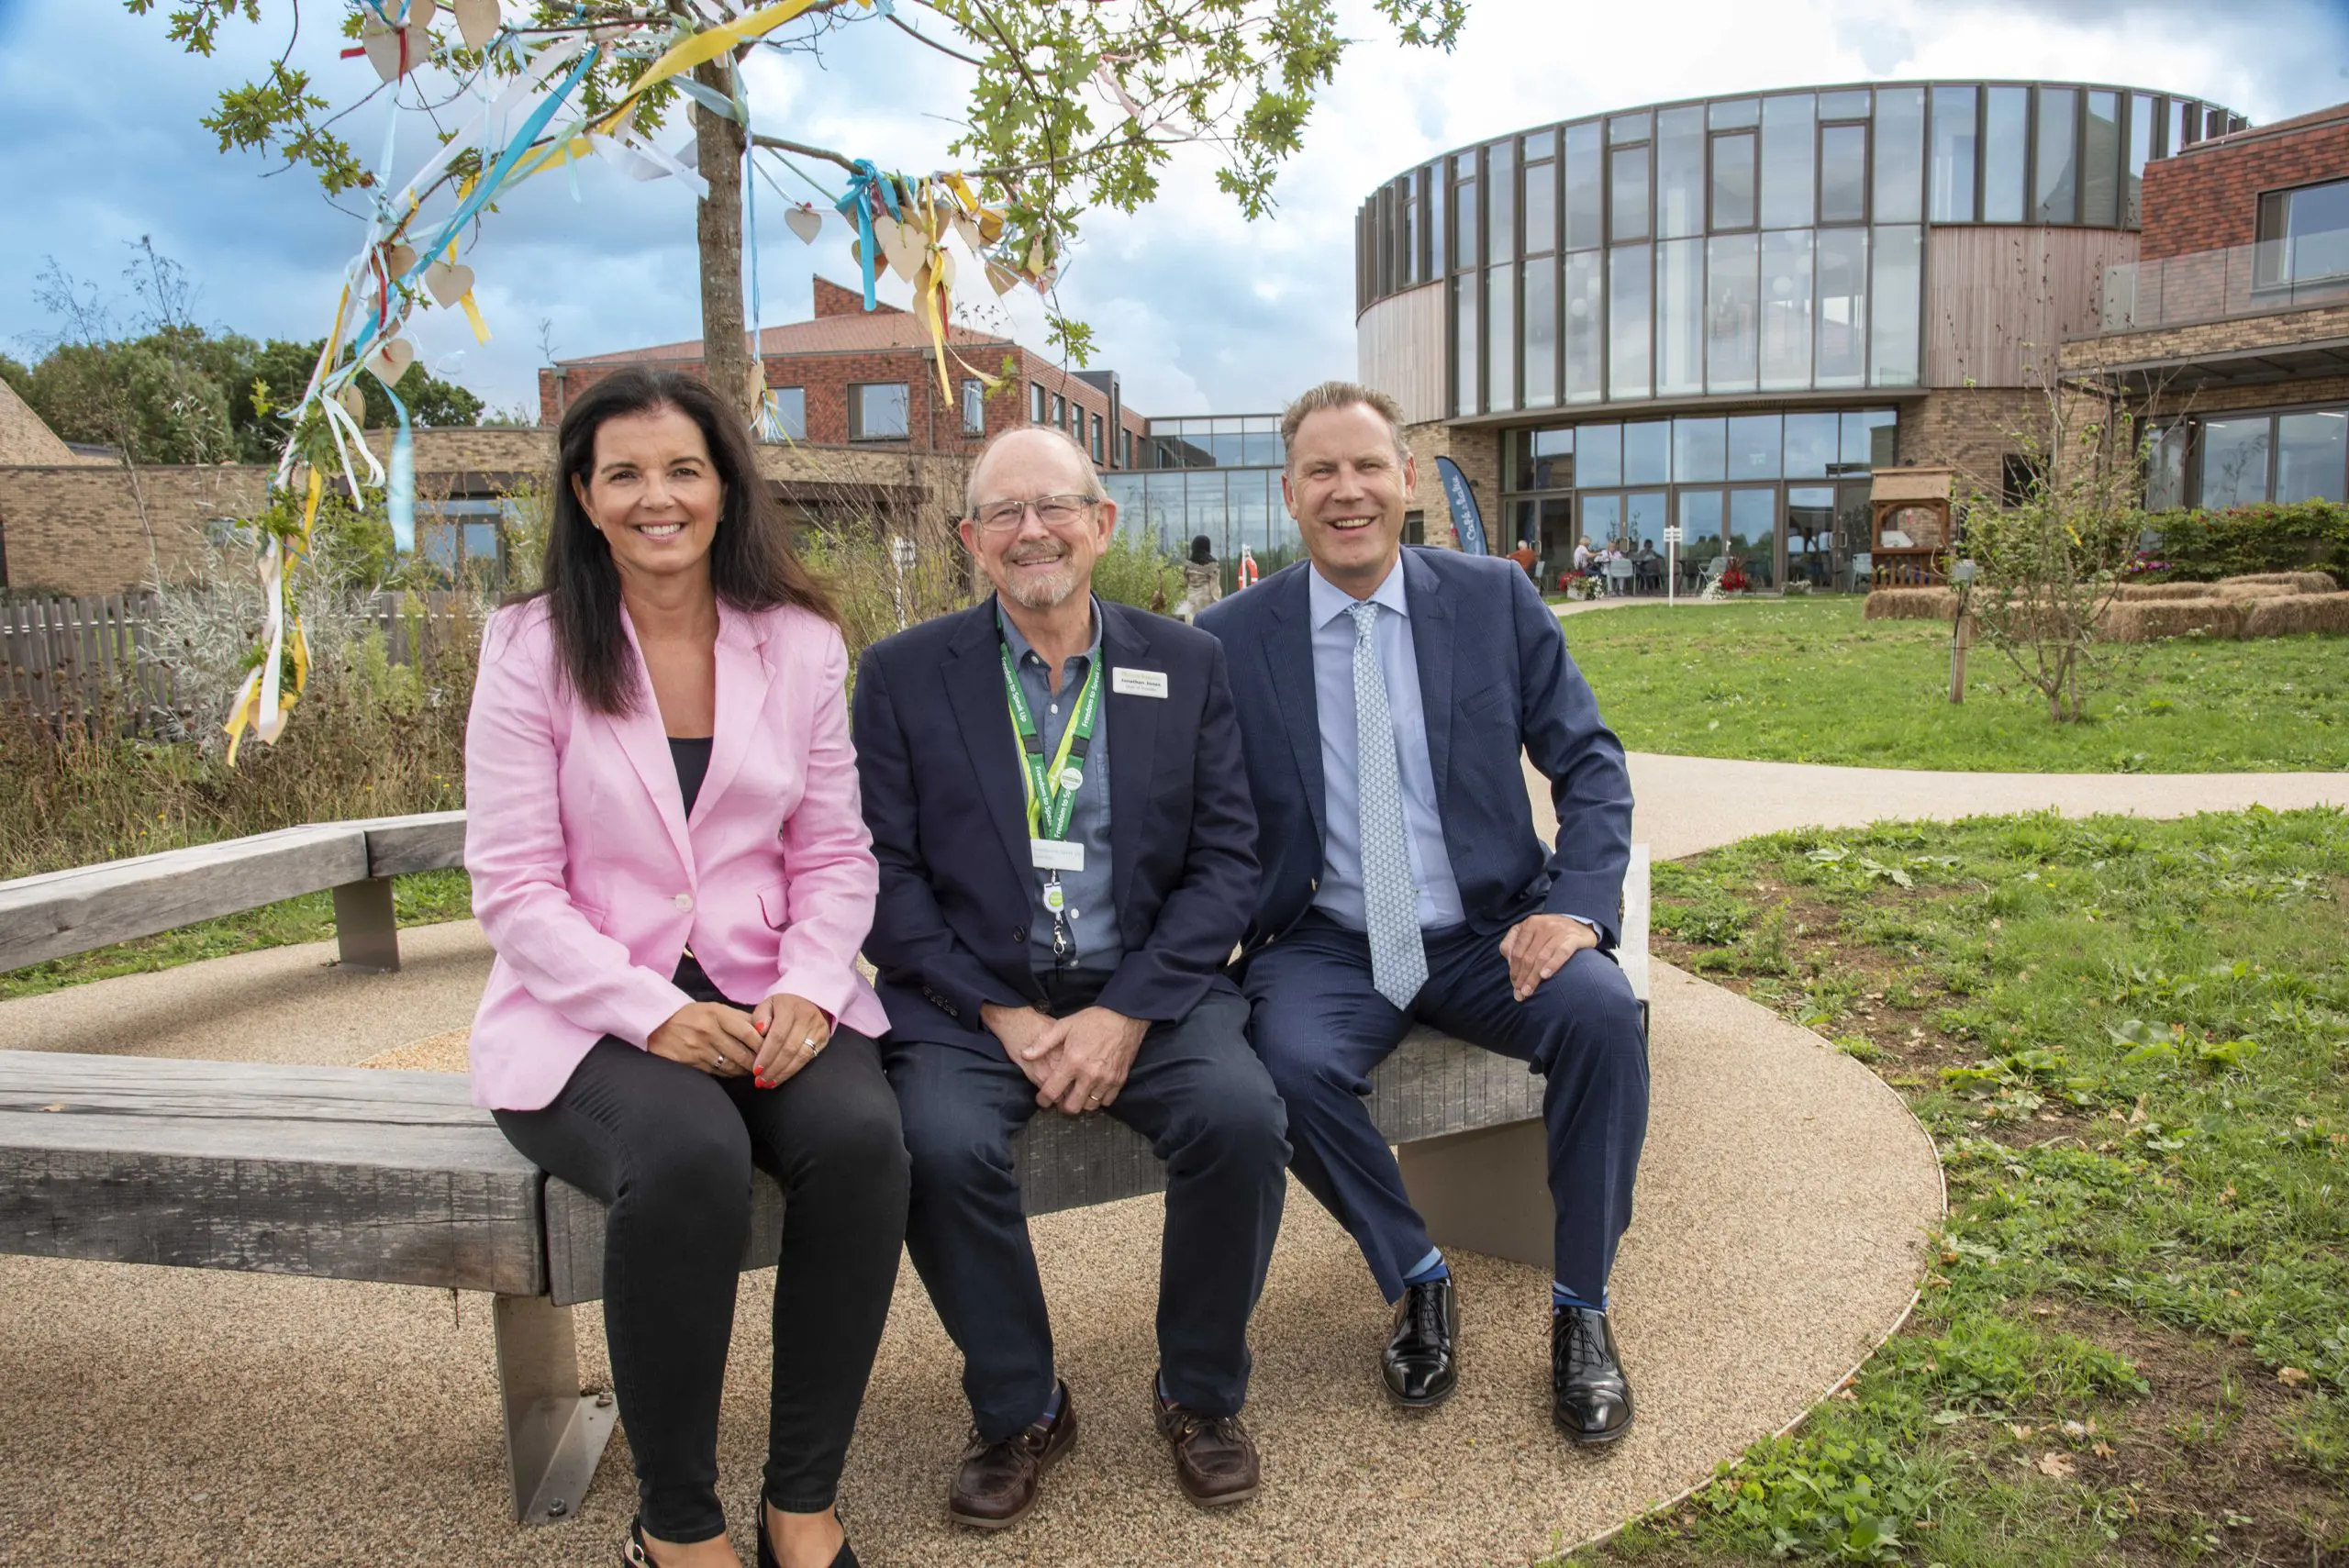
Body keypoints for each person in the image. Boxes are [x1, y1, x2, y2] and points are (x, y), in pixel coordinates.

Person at [465, 368, 906, 1568]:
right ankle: (678, 1522)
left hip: (769, 984)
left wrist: (814, 982)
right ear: (584, 496)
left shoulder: (801, 641)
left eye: (682, 470)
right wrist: (651, 1012)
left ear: (723, 487)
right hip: (591, 1010)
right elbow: (511, 885)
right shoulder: (529, 646)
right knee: (690, 1153)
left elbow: (832, 846)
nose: (657, 496)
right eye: (625, 474)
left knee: (864, 1141)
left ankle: (801, 1502)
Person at [852, 426, 1289, 1529]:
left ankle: (1197, 1392)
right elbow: (882, 875)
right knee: (936, 1146)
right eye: (1003, 512)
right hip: (967, 998)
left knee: (1240, 1119)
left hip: (1143, 982)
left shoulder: (1185, 663)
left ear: (1102, 523)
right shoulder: (904, 676)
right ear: (970, 540)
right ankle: (1021, 1406)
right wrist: (997, 1009)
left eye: (1055, 505)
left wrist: (1127, 1010)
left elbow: (1227, 858)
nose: (1030, 528)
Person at [1198, 382, 1648, 1447]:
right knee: (1281, 1060)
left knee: (1600, 1018)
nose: (1346, 490)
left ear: (1407, 480)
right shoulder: (1225, 640)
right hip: (1325, 938)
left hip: (1491, 926)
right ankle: (1416, 1273)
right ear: (1289, 493)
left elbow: (1590, 765)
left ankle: (1582, 1310)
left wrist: (1579, 907)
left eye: (1367, 466)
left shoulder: (1494, 598)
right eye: (1321, 471)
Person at [1174, 533, 1223, 624]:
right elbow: (1214, 589)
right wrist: (1219, 604)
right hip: (1206, 604)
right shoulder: (1212, 565)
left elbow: (1185, 583)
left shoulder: (1188, 565)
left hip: (1191, 603)